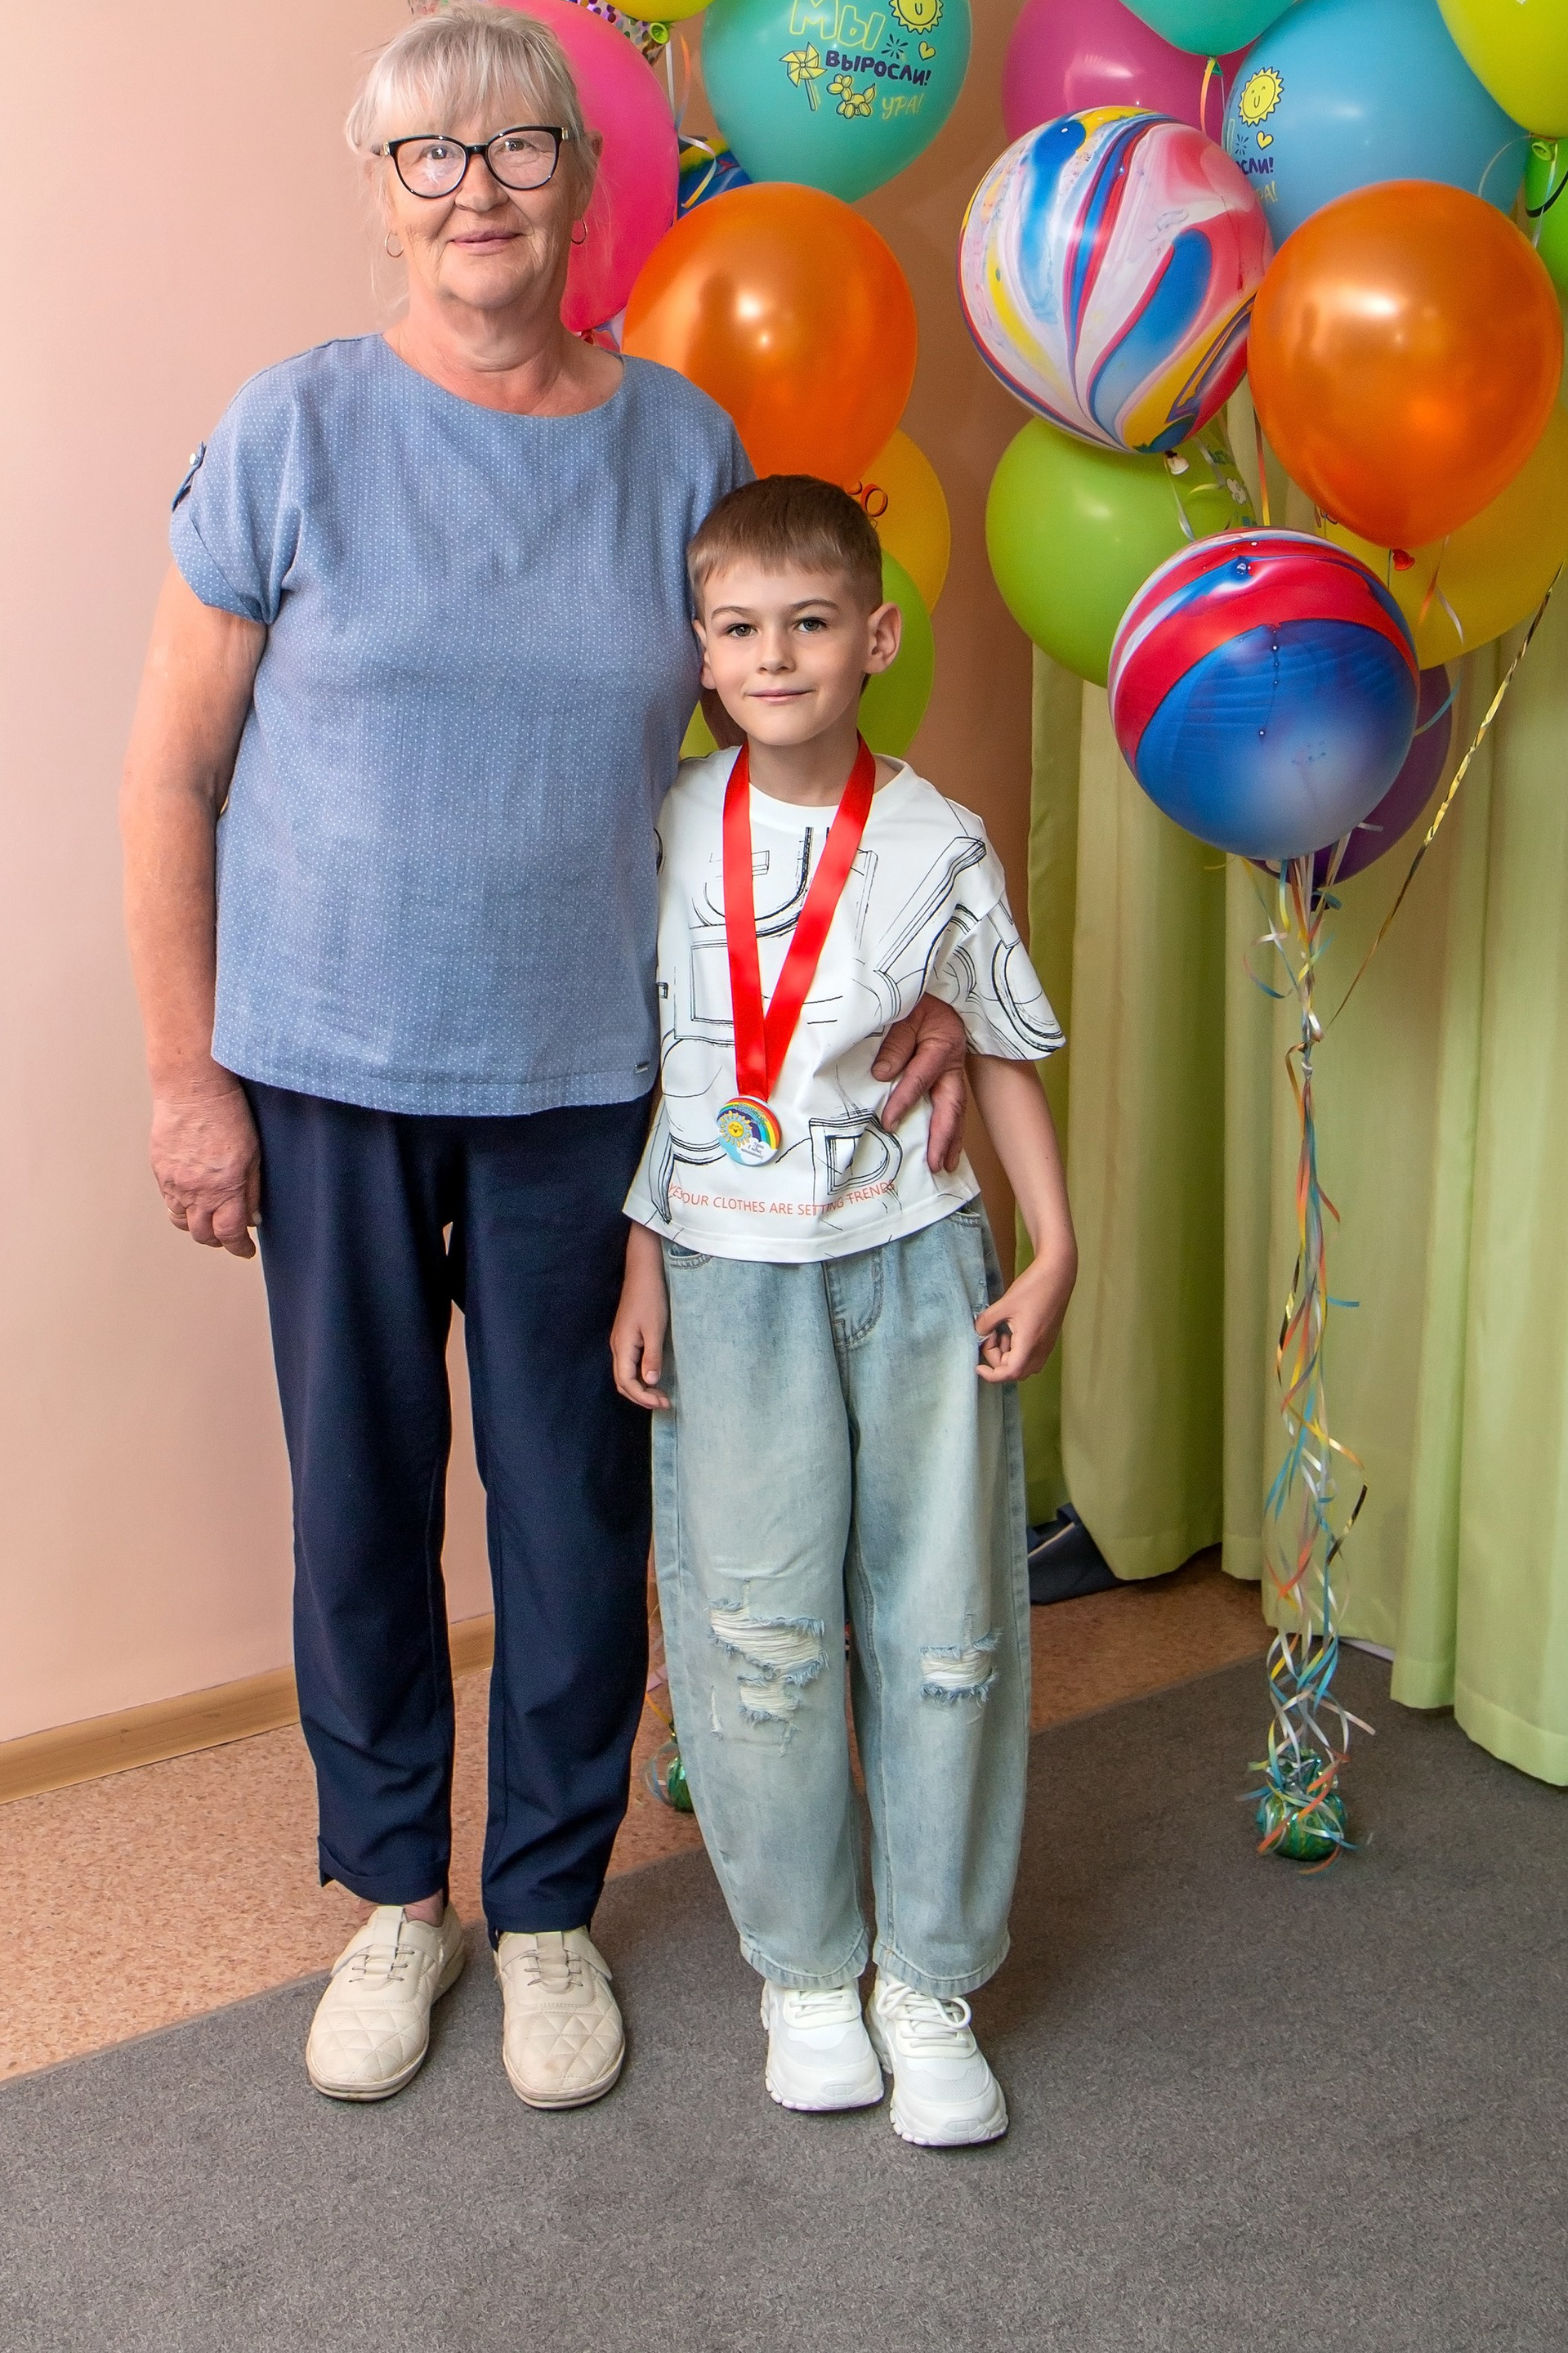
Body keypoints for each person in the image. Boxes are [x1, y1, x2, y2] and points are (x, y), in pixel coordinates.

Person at [118, 5, 971, 2115]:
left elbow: (777, 764)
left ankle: (554, 1907)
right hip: (319, 1065)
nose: (478, 187)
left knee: (583, 1509)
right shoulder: (294, 429)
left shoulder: (681, 445)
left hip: (592, 1079)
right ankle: (397, 1899)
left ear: (582, 187)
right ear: (381, 196)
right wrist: (183, 1075)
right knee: (364, 1500)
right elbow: (168, 772)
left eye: (517, 149)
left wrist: (907, 963)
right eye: (431, 156)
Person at [612, 474, 1077, 2147]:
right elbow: (648, 1066)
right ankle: (806, 1971)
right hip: (728, 1271)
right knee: (757, 1627)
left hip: (912, 1256)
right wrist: (643, 1254)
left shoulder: (934, 837)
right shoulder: (661, 825)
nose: (777, 654)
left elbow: (998, 1044)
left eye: (810, 622)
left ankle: (930, 1980)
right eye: (739, 629)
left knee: (943, 1616)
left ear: (873, 634)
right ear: (701, 654)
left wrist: (1053, 1246)